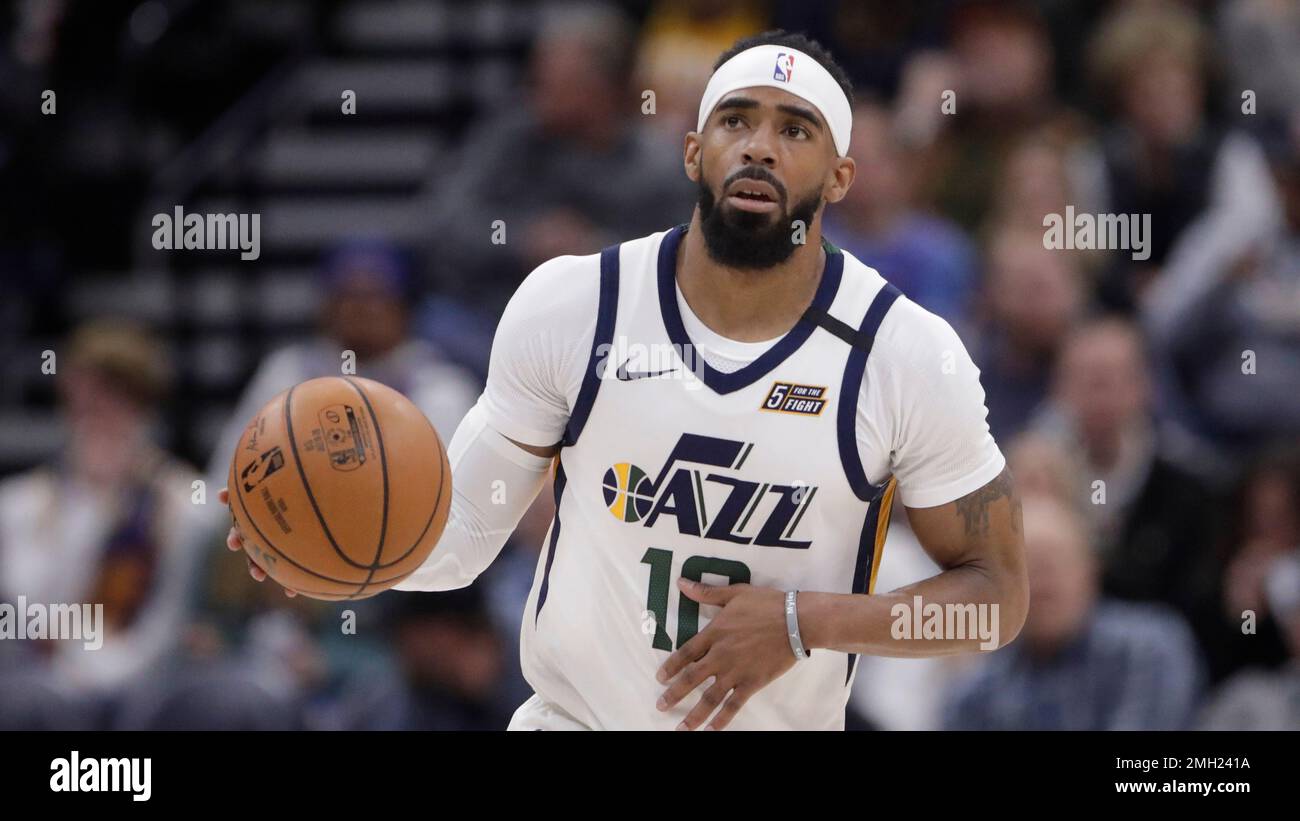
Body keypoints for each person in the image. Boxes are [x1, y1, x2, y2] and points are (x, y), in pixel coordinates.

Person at [225, 30, 1027, 731]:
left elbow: (997, 596)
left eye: (795, 129)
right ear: (692, 151)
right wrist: (325, 540)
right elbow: (465, 529)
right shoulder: (574, 304)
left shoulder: (907, 353)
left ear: (842, 176)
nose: (759, 145)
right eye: (736, 120)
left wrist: (798, 620)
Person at [943, 495, 1203, 730]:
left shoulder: (1148, 648)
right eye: (1027, 566)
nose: (1043, 579)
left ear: (1090, 569)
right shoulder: (981, 690)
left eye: (1055, 561)